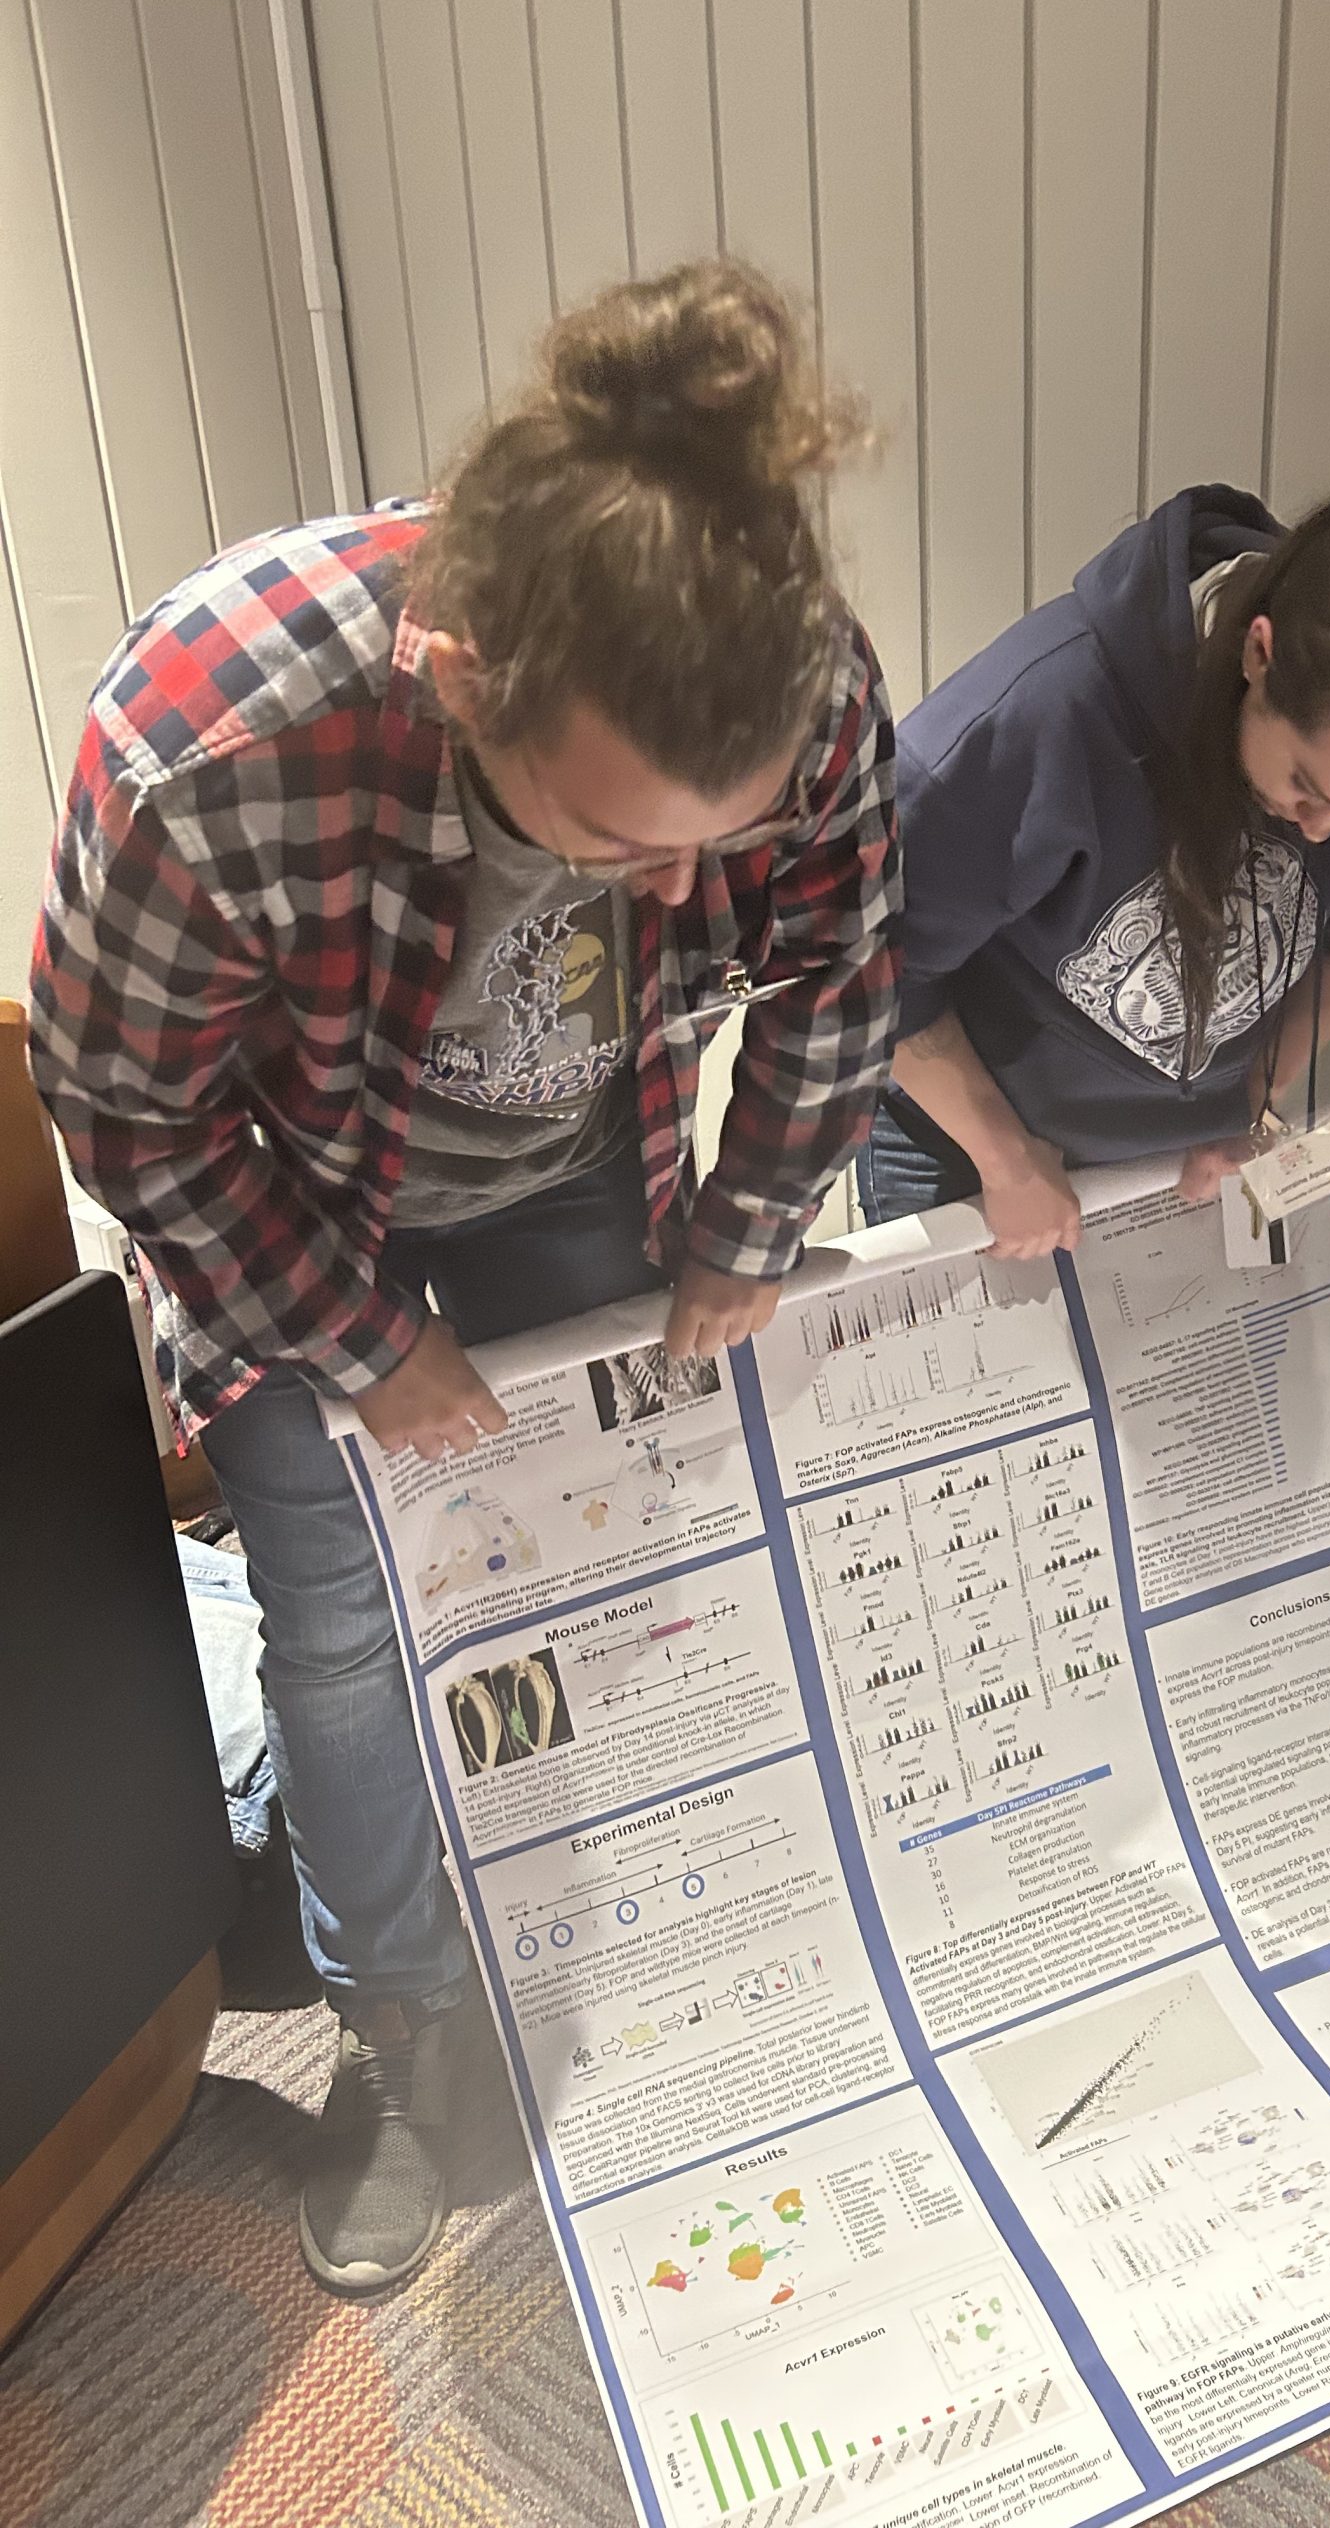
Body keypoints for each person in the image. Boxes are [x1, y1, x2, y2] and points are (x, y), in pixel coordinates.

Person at [31, 260, 899, 2295]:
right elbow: (128, 1115)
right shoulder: (209, 738)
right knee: (341, 1629)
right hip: (290, 1205)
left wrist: (749, 1221)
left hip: (574, 1173)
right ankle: (402, 2031)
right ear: (462, 671)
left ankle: (584, 1944)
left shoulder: (802, 684)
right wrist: (363, 1339)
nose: (686, 891)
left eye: (721, 838)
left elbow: (838, 965)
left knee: (583, 1574)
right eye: (619, 845)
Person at [856, 471, 1330, 1251]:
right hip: (961, 1146)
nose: (1321, 832)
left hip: (1167, 1169)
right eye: (1307, 787)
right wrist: (1004, 1161)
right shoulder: (1045, 716)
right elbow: (875, 964)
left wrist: (1253, 1092)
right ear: (1259, 652)